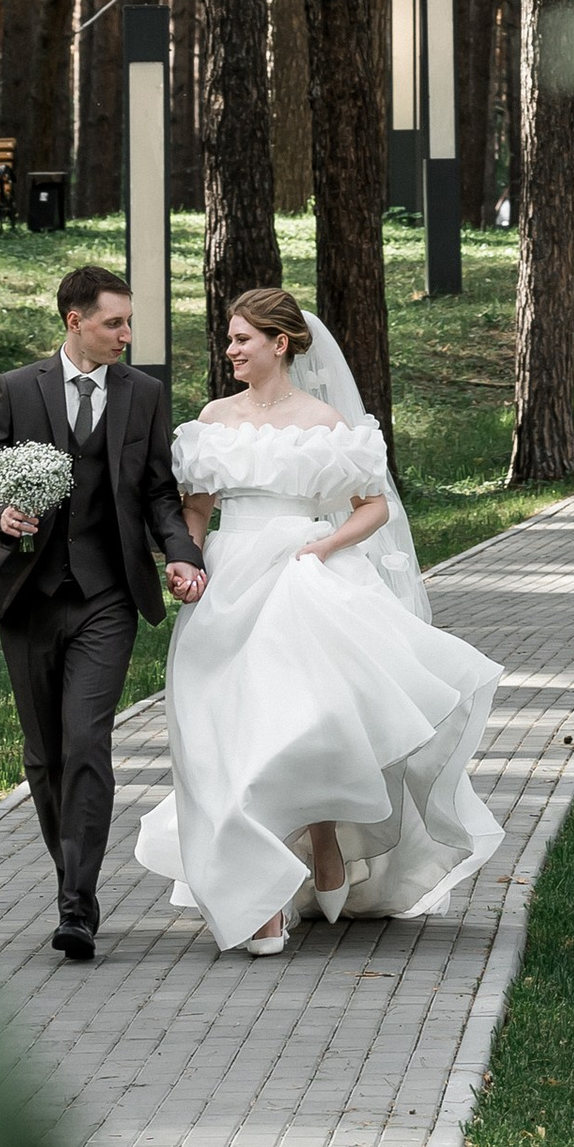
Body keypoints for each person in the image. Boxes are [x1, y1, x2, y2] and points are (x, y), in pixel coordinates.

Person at [135, 285, 505, 956]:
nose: (230, 350)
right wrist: (183, 562)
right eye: (229, 338)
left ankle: (305, 859)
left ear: (279, 343)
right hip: (226, 581)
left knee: (296, 723)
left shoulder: (325, 422)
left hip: (301, 576)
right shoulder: (213, 417)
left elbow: (373, 507)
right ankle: (271, 879)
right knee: (220, 733)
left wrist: (326, 545)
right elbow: (195, 508)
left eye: (242, 339)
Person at [0, 261, 207, 961]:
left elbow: (159, 492)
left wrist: (182, 553)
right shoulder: (18, 389)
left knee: (87, 743)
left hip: (107, 597)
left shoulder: (144, 395)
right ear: (76, 322)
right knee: (45, 757)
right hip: (29, 597)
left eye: (129, 322)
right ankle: (71, 874)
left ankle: (77, 901)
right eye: (114, 323)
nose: (127, 335)